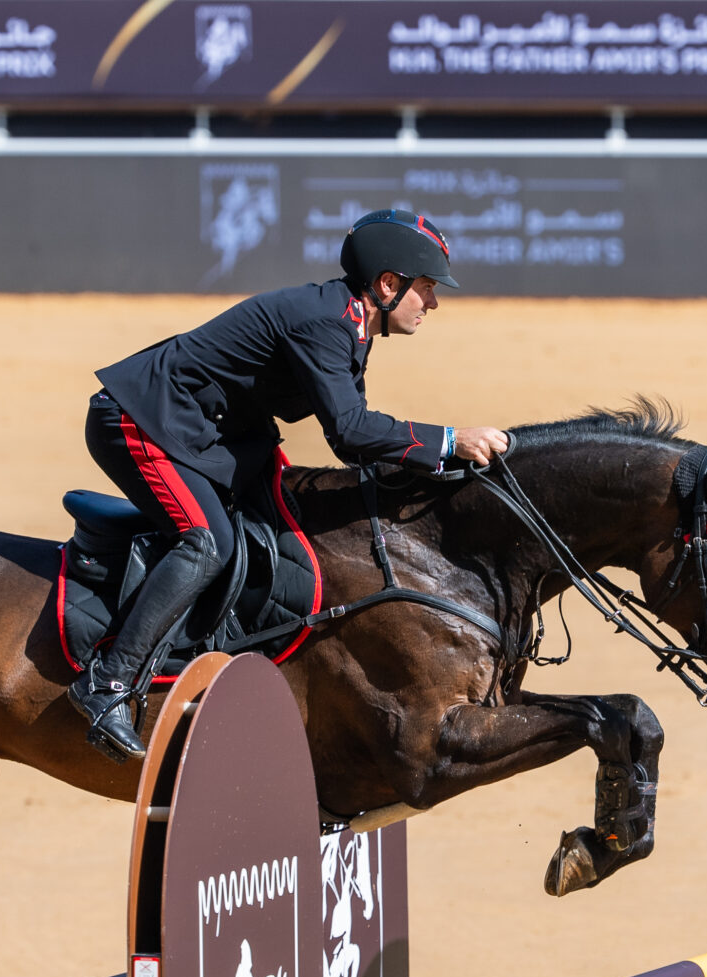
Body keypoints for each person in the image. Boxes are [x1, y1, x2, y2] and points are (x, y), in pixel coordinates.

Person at [70, 208, 512, 761]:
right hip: (138, 419)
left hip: (203, 432)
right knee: (207, 541)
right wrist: (448, 441)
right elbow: (351, 428)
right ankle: (107, 684)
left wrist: (440, 468)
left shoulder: (352, 322)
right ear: (388, 284)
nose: (435, 303)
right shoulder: (327, 321)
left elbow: (350, 444)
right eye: (426, 288)